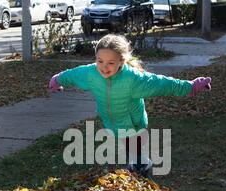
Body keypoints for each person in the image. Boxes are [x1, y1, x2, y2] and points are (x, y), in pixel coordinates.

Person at [48, 34, 212, 178]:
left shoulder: (132, 79)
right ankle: (137, 165)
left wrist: (191, 86)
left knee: (134, 149)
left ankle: (142, 170)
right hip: (112, 121)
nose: (104, 67)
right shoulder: (91, 74)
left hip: (133, 122)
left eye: (111, 62)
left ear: (121, 61)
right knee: (128, 146)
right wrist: (57, 80)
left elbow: (162, 84)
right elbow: (72, 75)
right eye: (100, 61)